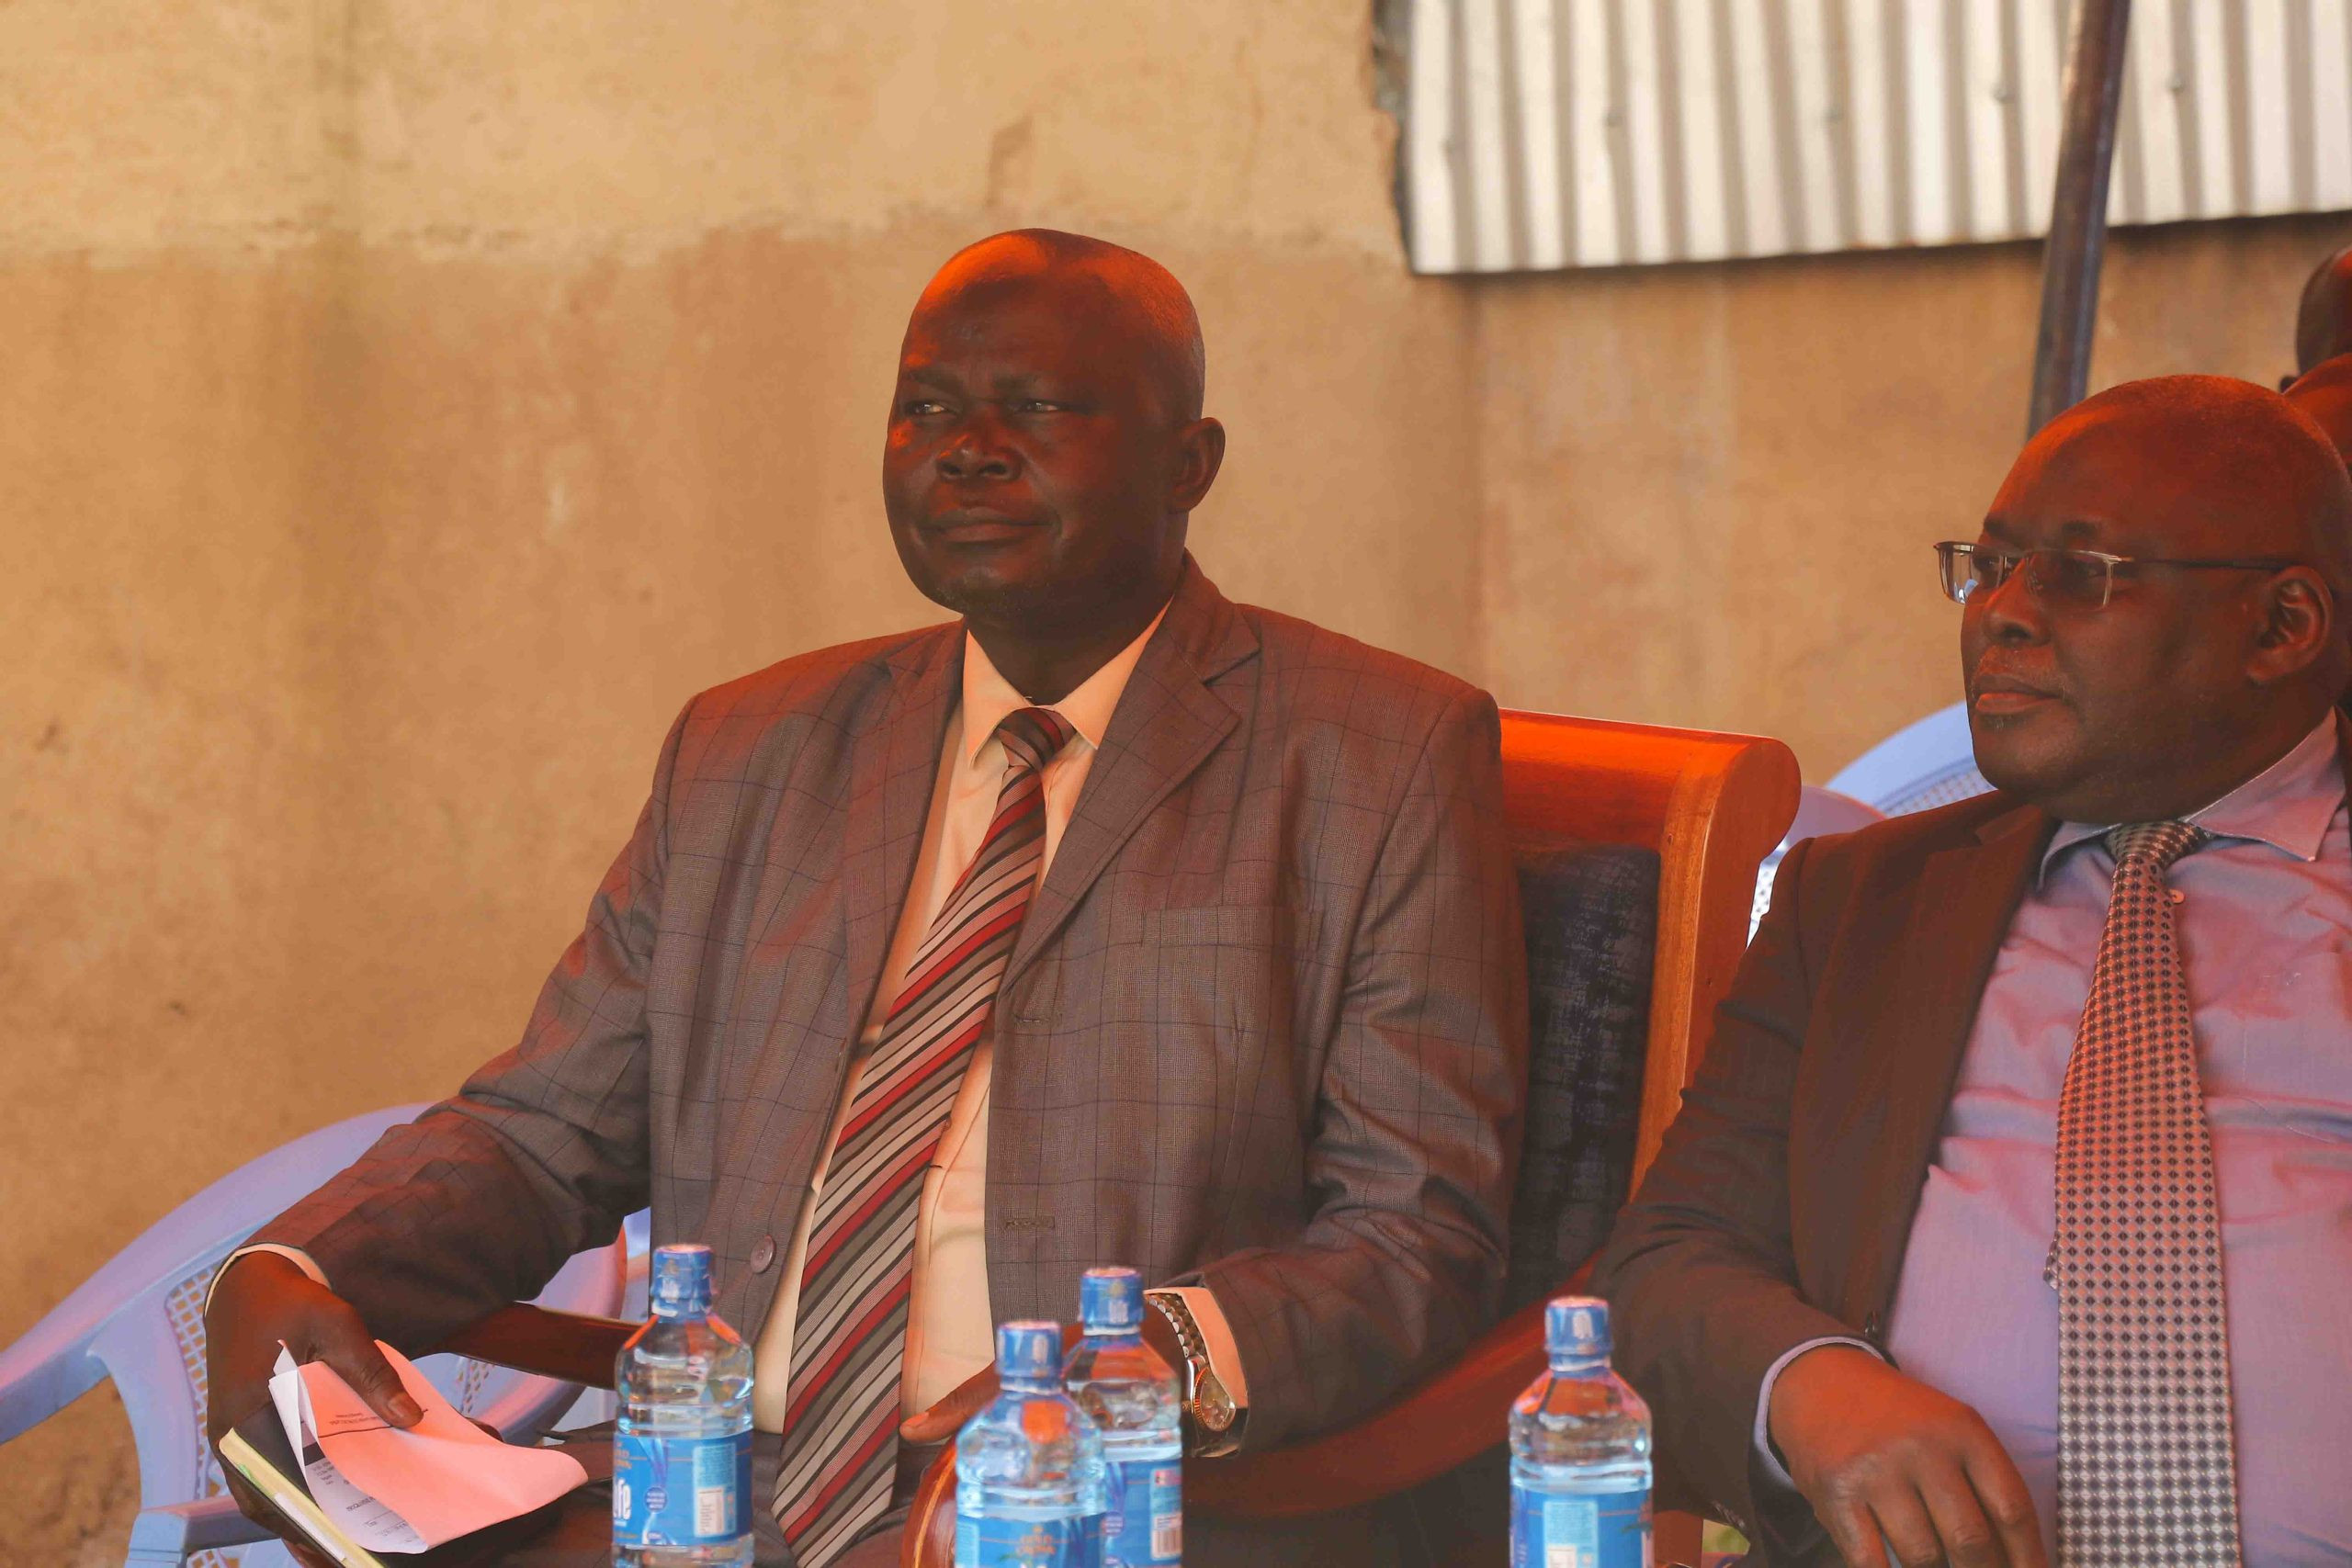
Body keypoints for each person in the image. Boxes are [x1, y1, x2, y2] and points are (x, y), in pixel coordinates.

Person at [203, 229, 1528, 1568]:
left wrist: (1139, 1366)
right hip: (704, 1489)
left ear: (1190, 464)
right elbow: (545, 1131)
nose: (969, 452)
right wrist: (298, 1266)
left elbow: (1416, 1229)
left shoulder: (1377, 754)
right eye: (928, 411)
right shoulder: (749, 751)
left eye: (1040, 408)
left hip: (1102, 1508)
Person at [1598, 375, 2352, 1568]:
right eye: (1990, 566)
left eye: (2081, 573)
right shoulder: (1862, 904)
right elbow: (1664, 1267)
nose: (2000, 614)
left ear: (2281, 628)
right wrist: (1807, 1387)